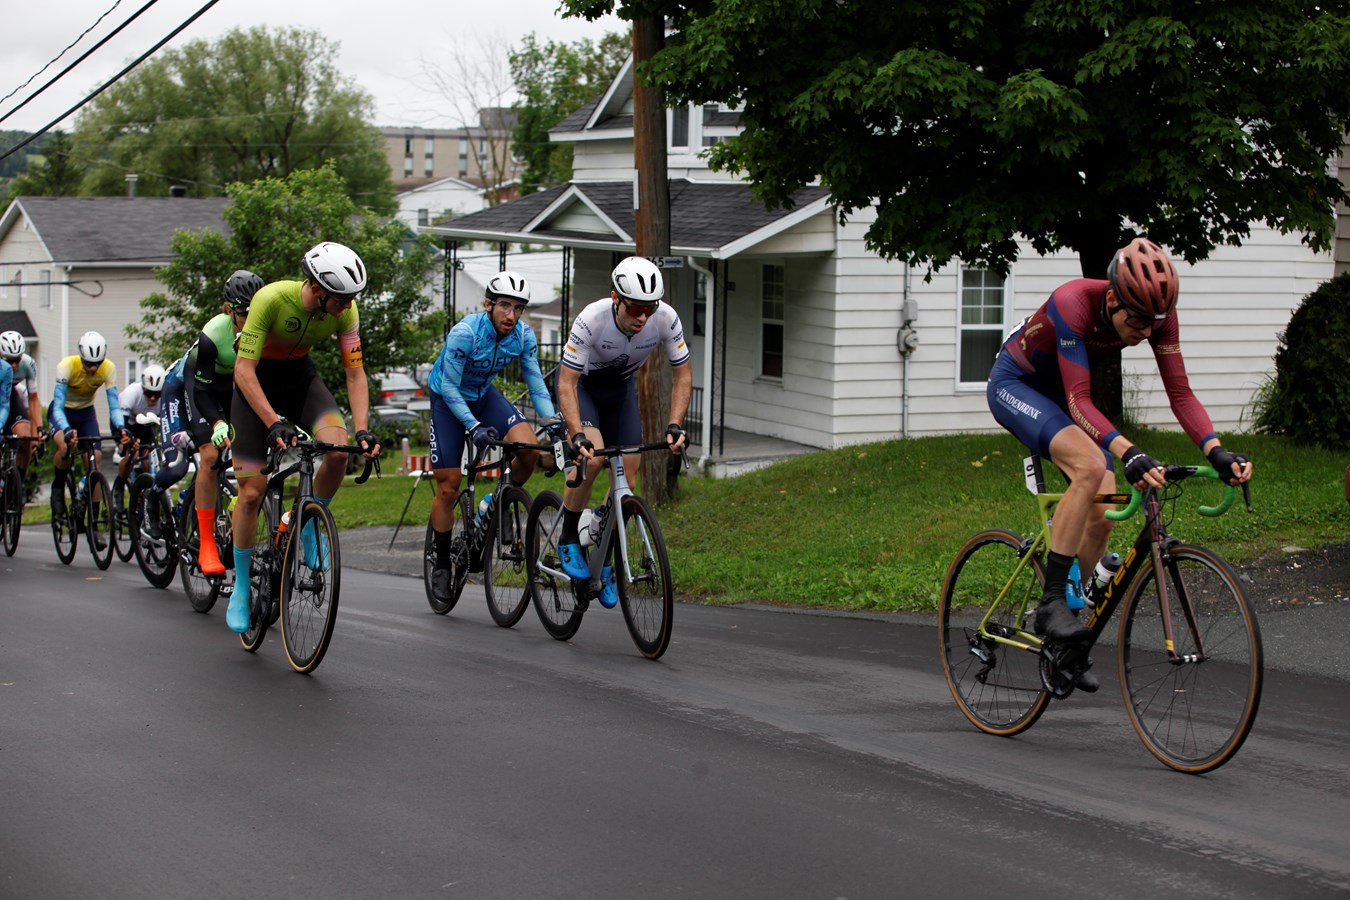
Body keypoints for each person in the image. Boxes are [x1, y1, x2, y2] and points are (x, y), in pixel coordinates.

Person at [987, 237, 1252, 689]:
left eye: (1156, 322)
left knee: (1104, 503)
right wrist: (1129, 451)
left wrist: (1216, 450)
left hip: (1061, 393)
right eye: (1139, 320)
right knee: (1092, 467)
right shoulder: (1073, 303)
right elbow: (1080, 399)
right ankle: (1052, 602)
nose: (1147, 331)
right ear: (1112, 299)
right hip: (1018, 385)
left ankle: (1070, 634)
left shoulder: (1156, 317)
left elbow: (1180, 393)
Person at [225, 243, 380, 634]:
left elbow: (355, 373)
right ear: (316, 287)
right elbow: (243, 370)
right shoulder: (271, 299)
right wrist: (273, 422)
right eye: (341, 299)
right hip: (255, 386)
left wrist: (362, 429)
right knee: (250, 494)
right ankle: (241, 586)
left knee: (338, 451)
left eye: (351, 299)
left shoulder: (346, 313)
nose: (347, 306)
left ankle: (307, 522)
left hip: (299, 381)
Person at [554, 256, 690, 606]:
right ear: (616, 298)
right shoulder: (592, 319)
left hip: (620, 391)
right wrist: (576, 434)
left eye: (649, 308)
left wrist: (675, 424)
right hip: (584, 389)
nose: (643, 317)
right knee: (593, 458)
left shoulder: (666, 318)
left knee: (628, 476)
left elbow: (683, 375)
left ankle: (605, 553)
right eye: (635, 308)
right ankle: (568, 536)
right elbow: (567, 383)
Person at [424, 270, 560, 605]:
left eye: (518, 308)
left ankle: (495, 503)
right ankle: (442, 564)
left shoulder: (523, 336)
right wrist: (473, 426)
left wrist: (554, 426)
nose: (511, 315)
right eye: (504, 306)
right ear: (489, 305)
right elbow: (450, 387)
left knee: (527, 449)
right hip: (448, 400)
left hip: (484, 396)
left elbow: (536, 384)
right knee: (449, 485)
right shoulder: (465, 333)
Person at [145, 269, 263, 575]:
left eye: (255, 312)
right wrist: (216, 424)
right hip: (190, 384)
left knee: (252, 456)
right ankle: (206, 542)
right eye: (243, 314)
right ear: (228, 311)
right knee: (209, 455)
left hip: (229, 386)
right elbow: (201, 391)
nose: (250, 321)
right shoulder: (213, 334)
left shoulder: (265, 329)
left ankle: (231, 522)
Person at [49, 331, 129, 525]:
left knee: (95, 463)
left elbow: (114, 406)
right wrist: (66, 429)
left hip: (86, 414)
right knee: (65, 447)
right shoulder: (67, 366)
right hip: (63, 412)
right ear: (81, 357)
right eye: (88, 364)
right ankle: (58, 489)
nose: (93, 369)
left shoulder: (108, 368)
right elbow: (58, 407)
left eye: (97, 364)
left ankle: (93, 521)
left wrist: (121, 427)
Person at [114, 363, 166, 500]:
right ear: (143, 388)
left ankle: (146, 489)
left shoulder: (165, 398)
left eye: (157, 394)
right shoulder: (131, 394)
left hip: (146, 428)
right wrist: (126, 441)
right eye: (149, 393)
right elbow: (120, 423)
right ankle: (119, 487)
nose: (153, 398)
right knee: (131, 455)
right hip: (127, 425)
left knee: (148, 460)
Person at [2, 331, 44, 480]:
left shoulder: (28, 363)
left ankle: (18, 484)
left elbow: (33, 399)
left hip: (11, 396)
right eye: (9, 361)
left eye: (17, 360)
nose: (14, 365)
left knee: (26, 439)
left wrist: (38, 429)